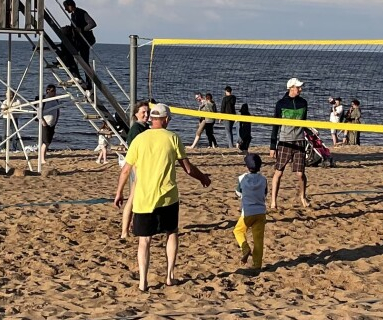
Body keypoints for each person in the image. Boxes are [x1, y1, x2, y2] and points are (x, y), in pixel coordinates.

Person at [113, 102, 210, 290]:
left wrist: (119, 193)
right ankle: (169, 276)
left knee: (144, 240)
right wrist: (203, 178)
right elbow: (188, 169)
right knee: (171, 233)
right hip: (167, 197)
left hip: (144, 197)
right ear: (165, 120)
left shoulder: (139, 139)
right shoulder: (172, 137)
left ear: (152, 118)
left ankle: (143, 282)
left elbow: (125, 170)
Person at [270, 78, 313, 210]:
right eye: (298, 87)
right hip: (285, 141)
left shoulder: (303, 103)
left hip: (299, 141)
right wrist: (272, 146)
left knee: (300, 174)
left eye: (300, 87)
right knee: (278, 172)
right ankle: (273, 202)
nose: (300, 89)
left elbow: (303, 122)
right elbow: (275, 126)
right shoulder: (281, 104)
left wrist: (310, 134)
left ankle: (303, 196)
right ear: (291, 88)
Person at [118, 100, 151, 240]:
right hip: (137, 167)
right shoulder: (136, 129)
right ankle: (124, 232)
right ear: (136, 114)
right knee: (132, 198)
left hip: (145, 167)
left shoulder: (146, 127)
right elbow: (134, 153)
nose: (146, 115)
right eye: (143, 112)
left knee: (140, 199)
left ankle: (133, 226)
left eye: (148, 112)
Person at [234, 152, 268, 274]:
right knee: (258, 240)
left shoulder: (242, 178)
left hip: (248, 212)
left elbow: (238, 192)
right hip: (260, 212)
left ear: (247, 166)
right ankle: (257, 264)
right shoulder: (263, 179)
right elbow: (265, 193)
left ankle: (245, 248)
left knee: (238, 231)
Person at [39, 82, 63, 152]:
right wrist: (43, 122)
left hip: (52, 123)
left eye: (55, 91)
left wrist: (56, 120)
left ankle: (43, 154)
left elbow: (57, 110)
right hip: (45, 123)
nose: (54, 93)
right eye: (52, 91)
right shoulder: (44, 100)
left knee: (49, 141)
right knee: (46, 142)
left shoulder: (56, 99)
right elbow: (39, 112)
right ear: (48, 91)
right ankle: (42, 157)